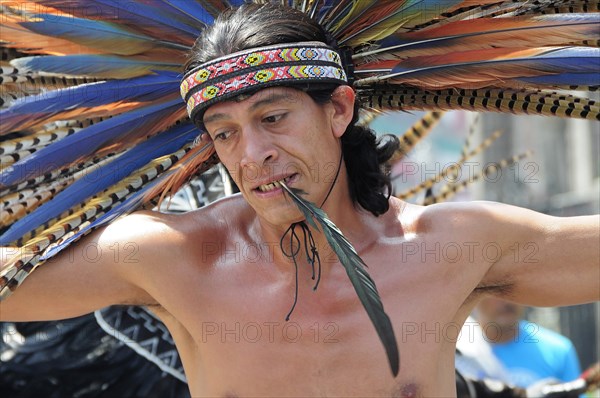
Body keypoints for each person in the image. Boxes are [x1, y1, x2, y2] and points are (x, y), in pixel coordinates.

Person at [1, 4, 599, 397]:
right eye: (225, 132)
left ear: (338, 110)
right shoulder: (170, 259)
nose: (252, 152)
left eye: (274, 117)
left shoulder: (453, 248)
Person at [475, 298, 582, 388]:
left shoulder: (558, 350)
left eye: (514, 289)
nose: (506, 300)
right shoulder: (461, 352)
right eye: (496, 290)